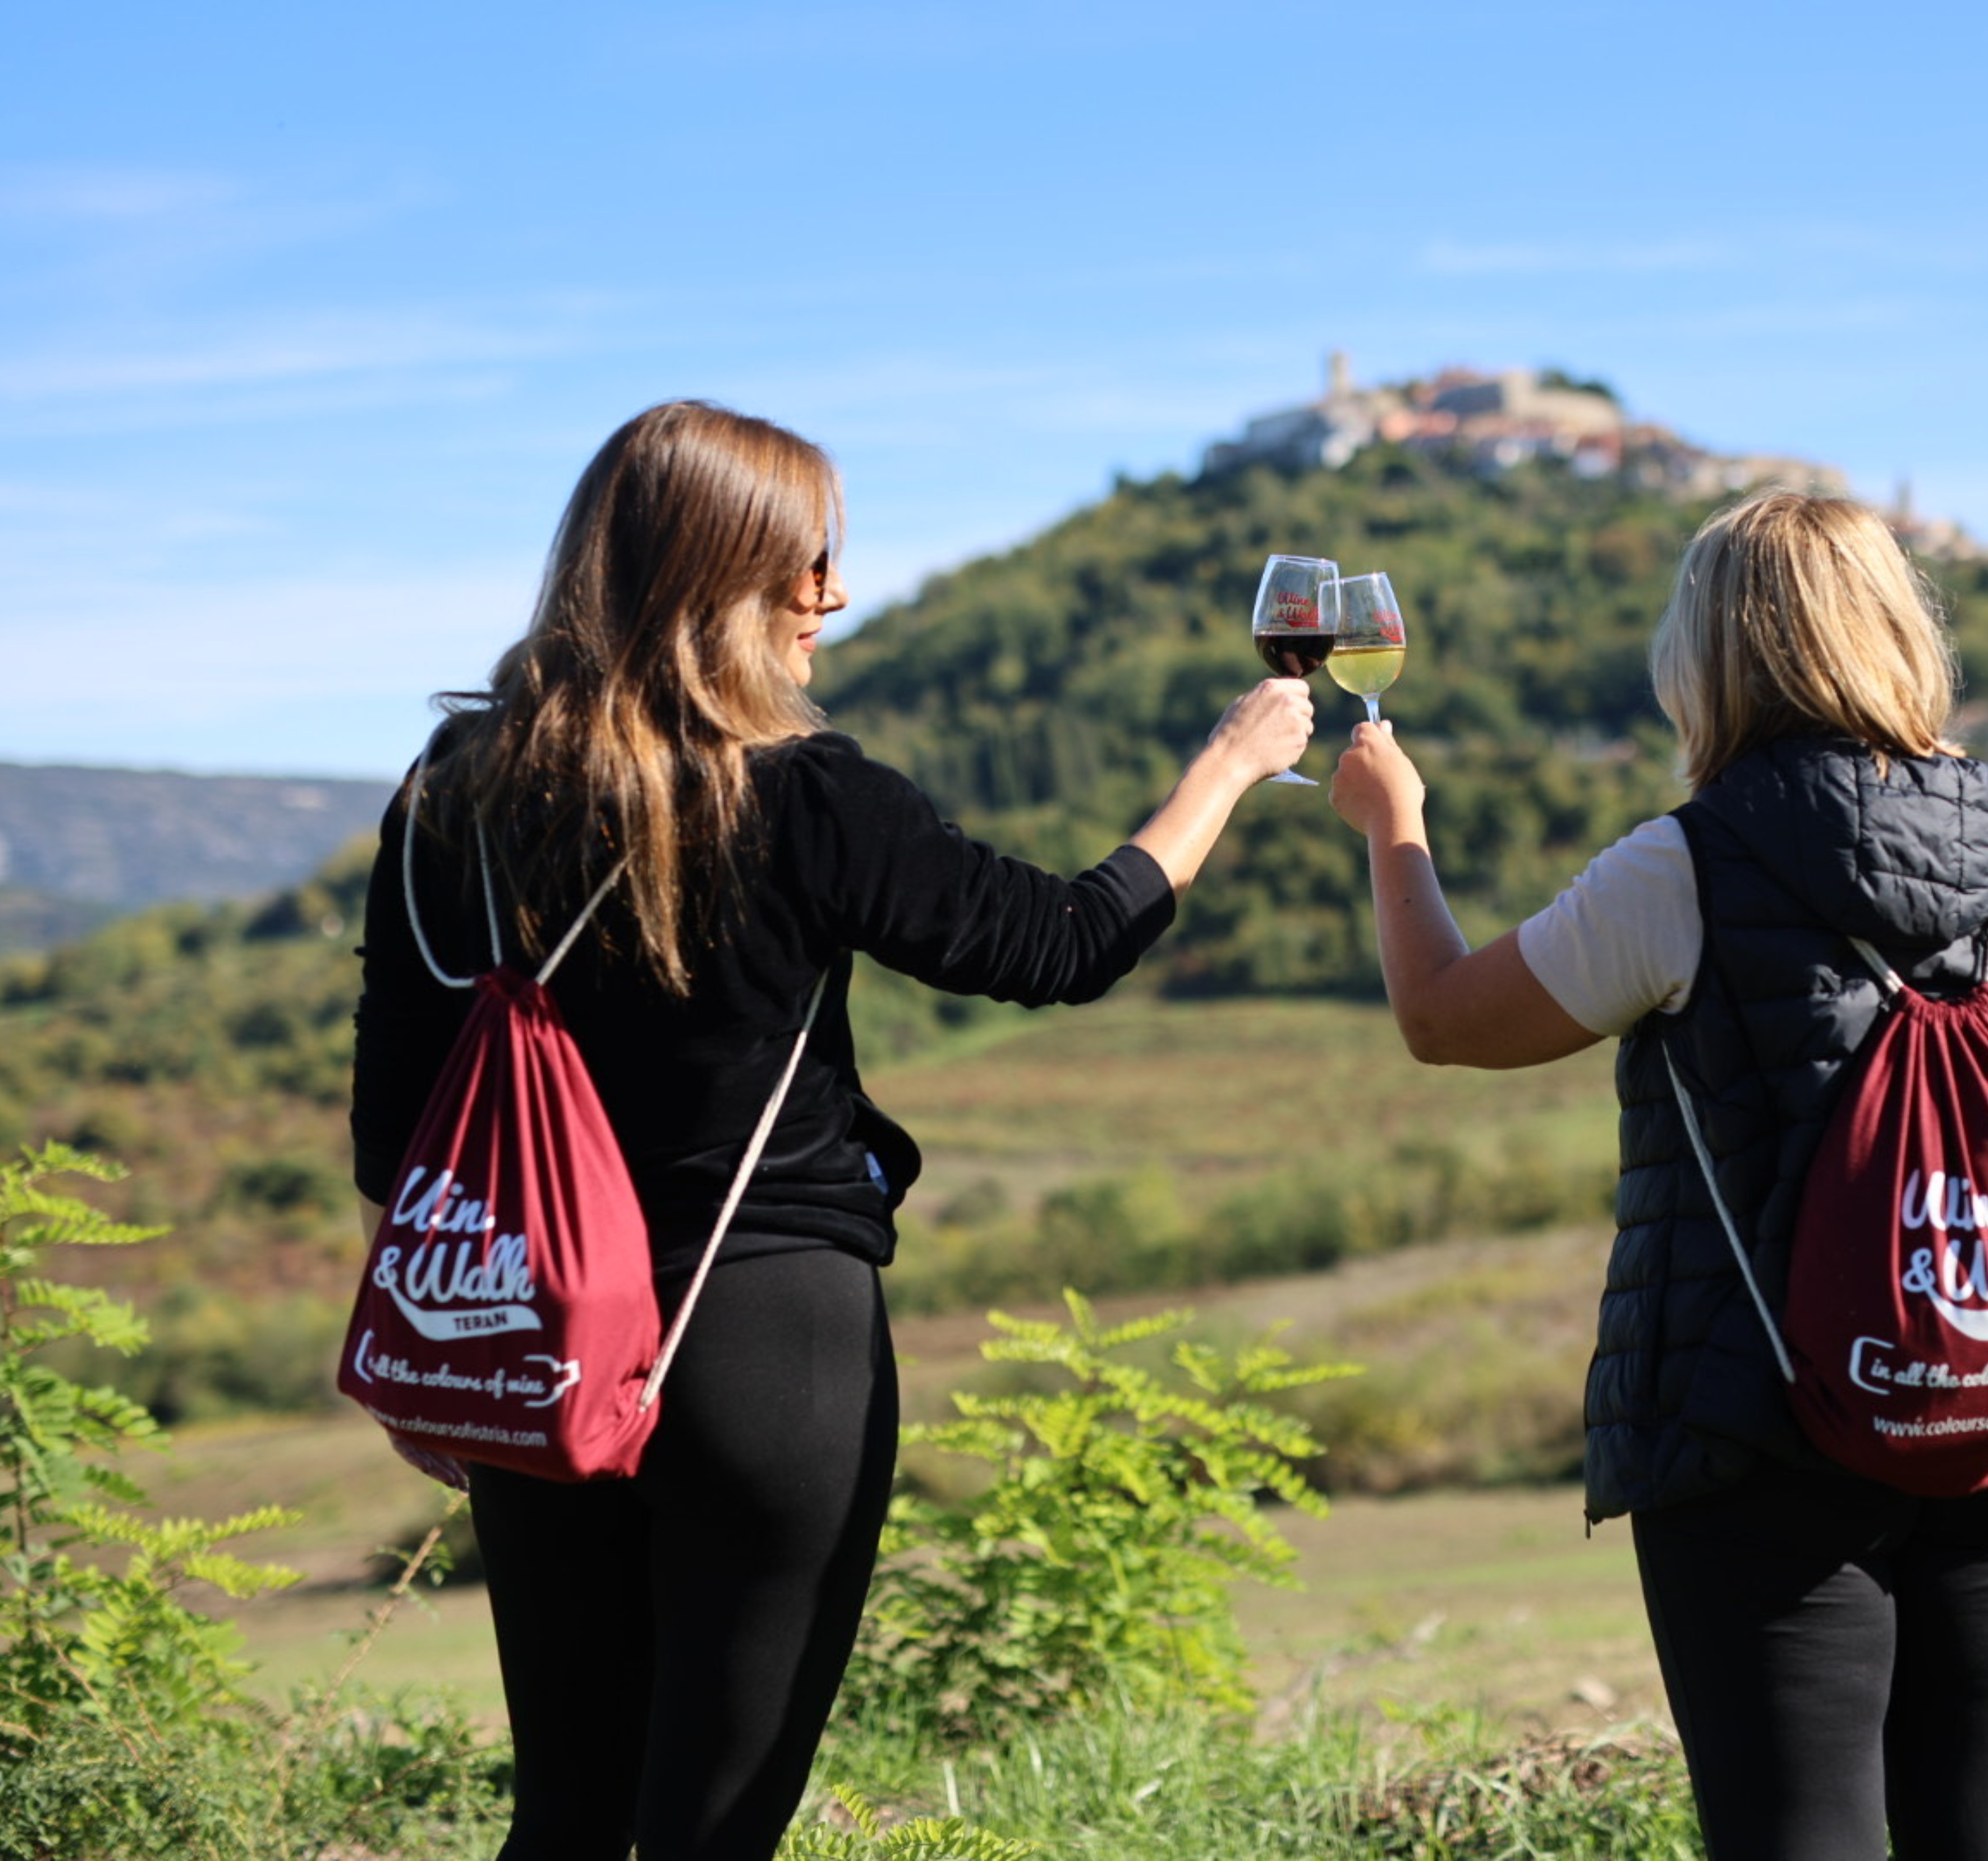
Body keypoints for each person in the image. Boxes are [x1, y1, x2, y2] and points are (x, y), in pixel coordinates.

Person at [349, 398, 1313, 1861]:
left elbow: (397, 1117)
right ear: (719, 573)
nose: (833, 595)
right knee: (712, 1829)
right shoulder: (801, 793)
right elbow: (1054, 944)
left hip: (530, 1335)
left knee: (564, 1814)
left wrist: (438, 1347)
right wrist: (1227, 770)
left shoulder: (452, 797)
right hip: (764, 1343)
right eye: (808, 561)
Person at [1329, 489, 1988, 1861]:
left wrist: (1390, 828)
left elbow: (1444, 1023)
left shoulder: (1684, 866)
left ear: (1707, 657)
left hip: (1755, 1439)